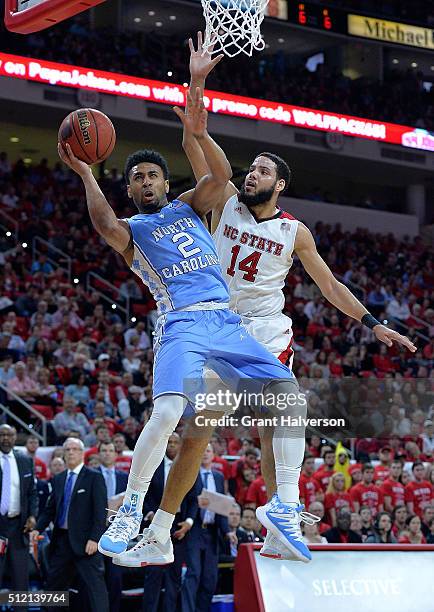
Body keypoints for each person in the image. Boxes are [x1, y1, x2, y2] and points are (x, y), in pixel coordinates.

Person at [176, 31, 416, 562]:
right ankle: (165, 520)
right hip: (216, 329)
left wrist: (373, 323)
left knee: (281, 418)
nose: (251, 173)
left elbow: (329, 287)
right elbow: (196, 138)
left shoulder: (295, 231)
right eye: (252, 168)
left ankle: (285, 517)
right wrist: (196, 82)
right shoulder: (226, 202)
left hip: (265, 330)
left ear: (280, 184)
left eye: (263, 170)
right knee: (197, 429)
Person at [58, 80, 306, 568]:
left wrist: (197, 119)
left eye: (153, 175)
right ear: (127, 189)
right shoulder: (132, 232)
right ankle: (131, 510)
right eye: (137, 178)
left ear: (165, 184)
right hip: (182, 325)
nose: (146, 182)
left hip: (227, 323)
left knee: (290, 400)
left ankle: (285, 506)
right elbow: (104, 227)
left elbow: (219, 176)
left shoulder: (189, 206)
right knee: (171, 413)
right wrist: (87, 175)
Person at [31, 438, 109, 612]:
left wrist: (95, 538)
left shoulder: (94, 477)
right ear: (64, 454)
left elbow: (100, 511)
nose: (71, 452)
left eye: (75, 449)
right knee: (53, 586)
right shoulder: (58, 479)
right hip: (62, 542)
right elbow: (50, 510)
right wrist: (37, 529)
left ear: (82, 453)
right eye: (68, 450)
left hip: (87, 543)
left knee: (95, 587)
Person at [131, 433, 202, 612]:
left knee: (174, 578)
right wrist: (149, 513)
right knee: (153, 576)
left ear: (180, 445)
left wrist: (188, 522)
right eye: (169, 442)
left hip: (179, 527)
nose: (171, 445)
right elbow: (143, 494)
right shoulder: (153, 465)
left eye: (175, 442)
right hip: (154, 525)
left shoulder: (189, 466)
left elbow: (194, 499)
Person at [181, 444, 235, 612]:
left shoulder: (218, 477)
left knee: (209, 578)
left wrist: (227, 532)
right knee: (194, 574)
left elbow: (220, 509)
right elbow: (186, 501)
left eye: (208, 451)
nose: (205, 453)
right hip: (195, 529)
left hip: (212, 532)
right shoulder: (191, 474)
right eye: (202, 450)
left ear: (214, 455)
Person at [0, 425, 38, 601]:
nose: (6, 438)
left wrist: (32, 515)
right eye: (2, 435)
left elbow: (32, 492)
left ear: (16, 438)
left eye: (10, 435)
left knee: (21, 580)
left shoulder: (24, 460)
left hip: (18, 526)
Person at [97, 441, 128, 612]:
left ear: (116, 455)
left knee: (116, 577)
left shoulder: (125, 478)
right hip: (96, 530)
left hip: (117, 531)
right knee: (96, 577)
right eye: (104, 450)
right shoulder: (91, 475)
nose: (107, 453)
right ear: (98, 454)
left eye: (110, 450)